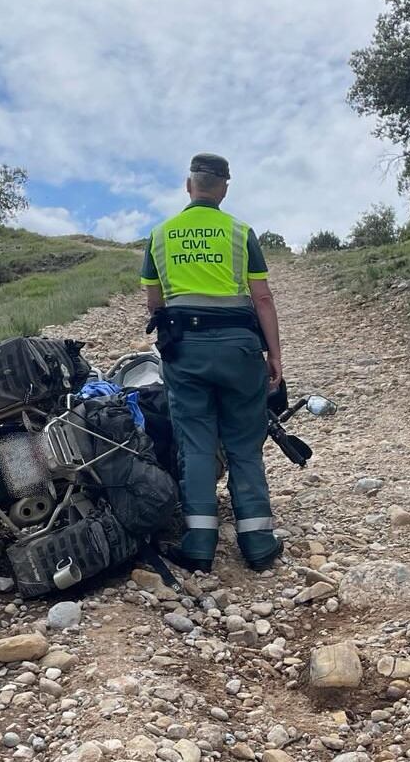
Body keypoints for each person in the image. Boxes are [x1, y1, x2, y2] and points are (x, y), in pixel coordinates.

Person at [139, 153, 283, 572]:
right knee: (244, 445)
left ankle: (199, 546)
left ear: (189, 186)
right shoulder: (240, 232)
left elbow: (153, 303)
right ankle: (258, 544)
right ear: (223, 188)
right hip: (240, 351)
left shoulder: (161, 235)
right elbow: (263, 299)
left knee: (196, 445)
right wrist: (274, 355)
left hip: (186, 352)